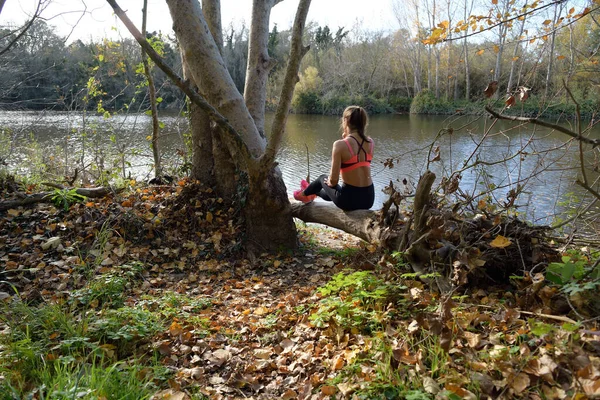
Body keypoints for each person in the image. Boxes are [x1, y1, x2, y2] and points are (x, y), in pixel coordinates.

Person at [293, 105, 375, 211]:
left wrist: (329, 182)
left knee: (323, 178)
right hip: (369, 199)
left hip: (349, 202)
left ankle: (302, 195)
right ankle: (312, 192)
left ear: (346, 121)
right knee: (334, 191)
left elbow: (333, 181)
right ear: (363, 122)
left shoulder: (340, 145)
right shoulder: (371, 142)